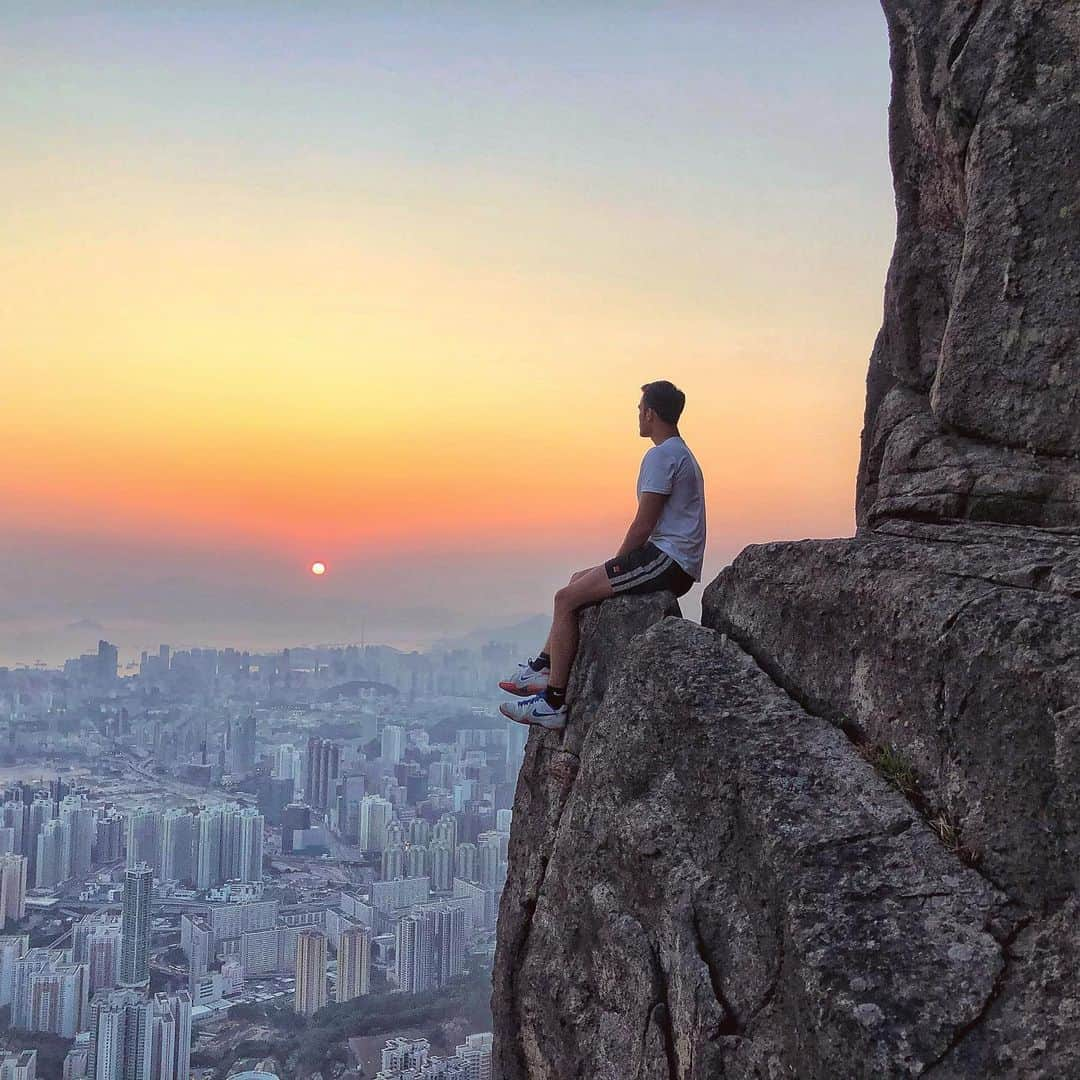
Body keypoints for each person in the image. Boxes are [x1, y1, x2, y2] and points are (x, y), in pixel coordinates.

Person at [499, 380, 706, 730]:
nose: (638, 416)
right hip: (669, 559)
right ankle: (544, 665)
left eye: (640, 410)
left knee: (565, 599)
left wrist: (618, 565)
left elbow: (644, 524)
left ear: (650, 413)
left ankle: (552, 702)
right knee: (576, 581)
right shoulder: (679, 453)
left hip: (667, 560)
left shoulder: (662, 455)